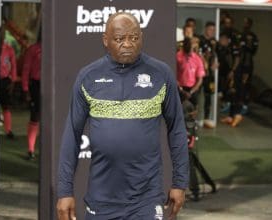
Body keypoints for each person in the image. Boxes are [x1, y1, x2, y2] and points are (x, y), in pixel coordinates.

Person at [57, 12, 189, 220]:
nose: (127, 44)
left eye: (134, 38)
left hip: (147, 199)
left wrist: (180, 182)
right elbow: (72, 135)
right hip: (101, 199)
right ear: (105, 40)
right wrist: (64, 191)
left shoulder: (161, 74)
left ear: (141, 38)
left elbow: (177, 130)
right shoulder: (88, 77)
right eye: (119, 39)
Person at [22, 34, 41, 160]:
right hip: (36, 85)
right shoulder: (33, 49)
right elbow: (26, 69)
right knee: (35, 118)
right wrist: (25, 88)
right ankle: (31, 149)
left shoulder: (55, 47)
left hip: (51, 85)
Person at [176, 37, 205, 107]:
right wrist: (181, 89)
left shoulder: (197, 59)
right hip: (180, 89)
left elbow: (200, 79)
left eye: (191, 44)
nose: (189, 46)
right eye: (187, 44)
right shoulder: (177, 56)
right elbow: (172, 74)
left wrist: (191, 92)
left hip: (192, 89)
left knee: (193, 110)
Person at [0, 26, 17, 138]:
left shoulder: (9, 49)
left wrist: (13, 80)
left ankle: (8, 130)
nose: (1, 35)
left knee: (6, 106)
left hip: (4, 80)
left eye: (3, 32)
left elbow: (14, 65)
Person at [199, 22, 218, 128]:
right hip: (200, 73)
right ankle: (197, 119)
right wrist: (204, 63)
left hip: (210, 74)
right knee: (197, 96)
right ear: (206, 29)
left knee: (209, 96)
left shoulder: (214, 42)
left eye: (213, 30)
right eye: (210, 29)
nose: (212, 32)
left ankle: (206, 118)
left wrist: (215, 62)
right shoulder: (200, 40)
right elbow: (199, 53)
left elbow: (215, 55)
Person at [240, 17, 259, 114]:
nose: (245, 25)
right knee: (238, 84)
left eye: (246, 23)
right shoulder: (241, 35)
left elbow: (253, 51)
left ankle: (244, 105)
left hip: (247, 64)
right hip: (240, 63)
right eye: (244, 23)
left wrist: (249, 43)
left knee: (245, 84)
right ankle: (237, 104)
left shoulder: (253, 36)